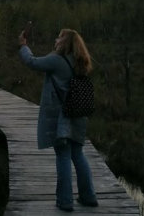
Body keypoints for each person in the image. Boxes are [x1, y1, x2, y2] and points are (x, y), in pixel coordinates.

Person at [19, 28, 98, 212]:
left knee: (63, 155)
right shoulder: (81, 62)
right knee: (78, 154)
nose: (56, 39)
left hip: (62, 119)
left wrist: (23, 46)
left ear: (65, 42)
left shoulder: (57, 60)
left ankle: (65, 201)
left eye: (59, 37)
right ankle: (89, 196)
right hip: (78, 115)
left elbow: (32, 62)